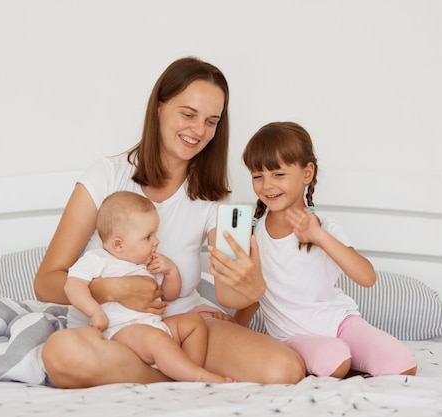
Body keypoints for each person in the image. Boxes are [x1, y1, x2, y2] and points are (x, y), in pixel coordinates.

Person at [34, 57, 306, 388]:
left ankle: (165, 372)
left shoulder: (212, 200)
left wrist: (250, 287)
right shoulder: (106, 176)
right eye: (188, 114)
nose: (198, 131)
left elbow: (230, 294)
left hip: (181, 329)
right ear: (159, 107)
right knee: (62, 354)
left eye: (211, 121)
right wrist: (111, 289)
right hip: (109, 333)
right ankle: (174, 378)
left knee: (285, 369)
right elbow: (45, 282)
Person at [230, 121, 417, 378]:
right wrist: (234, 324)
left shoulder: (326, 227)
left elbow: (367, 277)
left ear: (307, 173)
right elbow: (255, 293)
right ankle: (345, 361)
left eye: (278, 174)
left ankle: (353, 358)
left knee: (403, 363)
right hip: (293, 336)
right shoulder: (254, 235)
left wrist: (318, 236)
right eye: (257, 176)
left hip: (341, 323)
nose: (267, 185)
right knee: (335, 359)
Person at [65, 191, 232, 383]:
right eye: (148, 237)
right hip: (121, 332)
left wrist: (171, 272)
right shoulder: (98, 259)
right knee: (155, 340)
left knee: (195, 323)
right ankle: (199, 377)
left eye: (155, 234)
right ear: (118, 244)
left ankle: (186, 372)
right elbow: (73, 285)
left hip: (155, 326)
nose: (156, 242)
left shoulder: (146, 264)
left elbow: (169, 295)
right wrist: (95, 312)